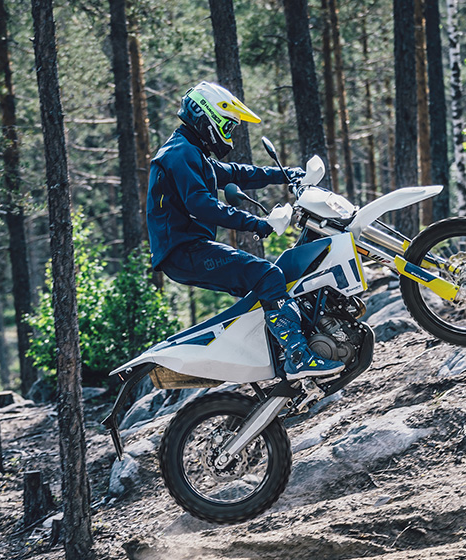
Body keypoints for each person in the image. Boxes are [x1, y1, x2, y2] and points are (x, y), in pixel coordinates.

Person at [146, 81, 345, 380]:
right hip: (183, 252)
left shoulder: (191, 152)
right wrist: (257, 223)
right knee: (268, 275)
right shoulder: (179, 154)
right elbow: (202, 206)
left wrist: (289, 174)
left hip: (187, 250)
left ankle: (281, 358)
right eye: (226, 126)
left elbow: (239, 173)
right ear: (205, 117)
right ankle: (298, 358)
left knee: (270, 287)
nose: (228, 134)